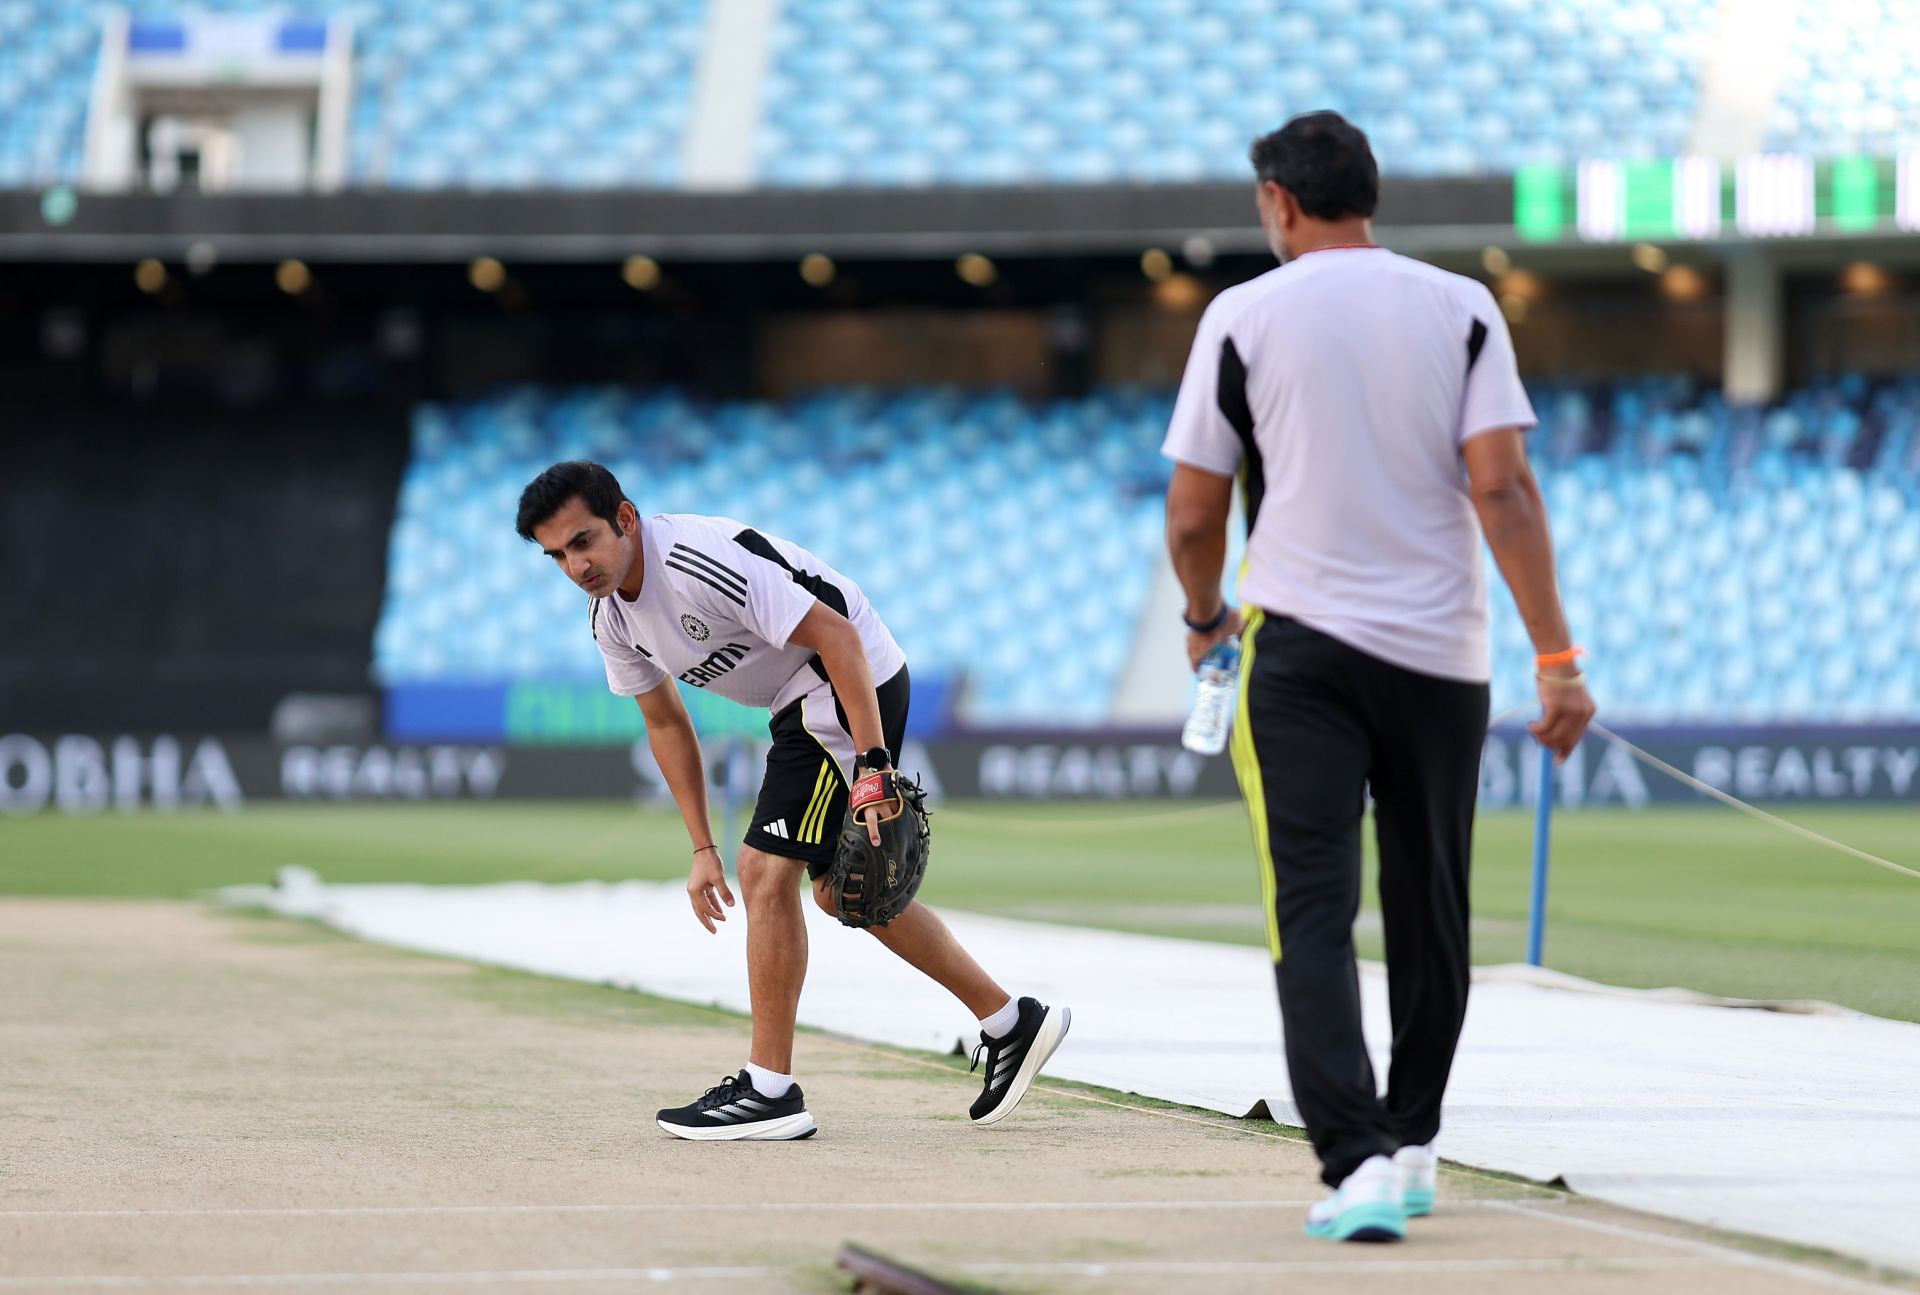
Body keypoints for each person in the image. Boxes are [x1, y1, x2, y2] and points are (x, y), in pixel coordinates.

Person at [1161, 112, 1595, 1242]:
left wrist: (1205, 617)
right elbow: (1504, 490)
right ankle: (1410, 1143)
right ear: (1372, 195)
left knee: (1310, 907)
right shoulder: (1461, 306)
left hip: (1299, 649)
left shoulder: (1242, 315)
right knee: (1430, 904)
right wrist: (1556, 656)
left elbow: (1195, 508)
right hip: (1442, 656)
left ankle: (1350, 1158)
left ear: (1278, 201)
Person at [516, 461, 1069, 1141]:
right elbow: (664, 722)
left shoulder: (691, 562)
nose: (576, 565)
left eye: (584, 540)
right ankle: (1013, 1021)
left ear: (625, 518)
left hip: (840, 673)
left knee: (763, 872)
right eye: (558, 556)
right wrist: (699, 846)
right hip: (800, 696)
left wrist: (873, 766)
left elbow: (835, 632)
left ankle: (769, 1088)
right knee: (846, 893)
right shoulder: (610, 620)